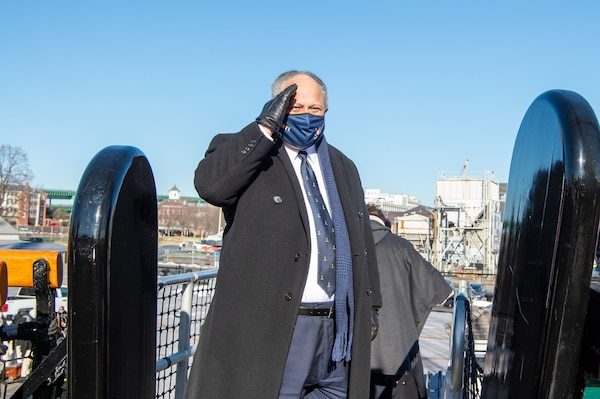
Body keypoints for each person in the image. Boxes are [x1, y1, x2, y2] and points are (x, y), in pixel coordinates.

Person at [184, 70, 381, 399]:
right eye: (296, 106)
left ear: (326, 112)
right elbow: (211, 186)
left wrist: (371, 305)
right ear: (275, 106)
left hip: (338, 332)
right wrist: (263, 128)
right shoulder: (252, 153)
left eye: (315, 109)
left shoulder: (342, 166)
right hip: (277, 330)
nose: (306, 116)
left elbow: (360, 236)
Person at [367, 204, 452, 399]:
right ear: (385, 223)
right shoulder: (400, 246)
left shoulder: (349, 246)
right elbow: (435, 288)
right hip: (398, 353)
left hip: (357, 354)